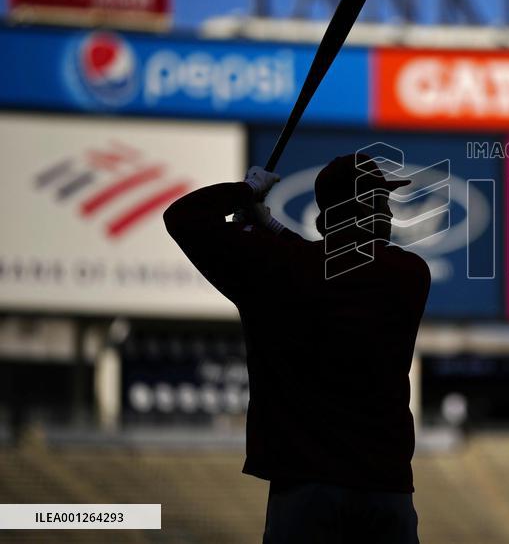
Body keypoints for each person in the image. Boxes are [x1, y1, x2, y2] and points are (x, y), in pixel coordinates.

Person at [164, 153, 430, 543]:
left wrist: (246, 193)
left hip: (305, 491)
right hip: (386, 493)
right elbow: (327, 265)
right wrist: (271, 228)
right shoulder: (410, 274)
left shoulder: (275, 268)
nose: (387, 213)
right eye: (377, 201)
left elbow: (183, 217)